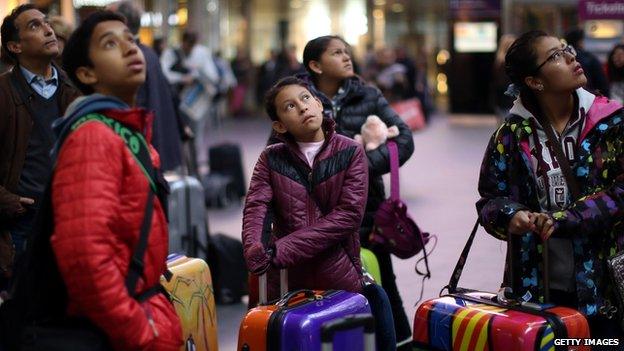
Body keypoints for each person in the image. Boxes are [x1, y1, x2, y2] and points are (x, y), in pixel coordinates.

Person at [477, 30, 624, 341]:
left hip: (604, 288)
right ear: (534, 81)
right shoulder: (511, 135)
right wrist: (510, 215)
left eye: (566, 49)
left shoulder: (611, 123)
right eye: (556, 56)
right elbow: (490, 199)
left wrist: (564, 220)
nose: (572, 58)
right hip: (537, 288)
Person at [51, 11, 182, 349]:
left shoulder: (126, 132)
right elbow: (84, 255)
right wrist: (139, 330)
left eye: (130, 38)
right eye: (110, 43)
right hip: (122, 330)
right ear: (86, 73)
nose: (129, 48)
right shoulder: (94, 135)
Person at [243, 76, 395, 350]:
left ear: (318, 103)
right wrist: (254, 248)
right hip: (287, 282)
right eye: (289, 106)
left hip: (340, 273)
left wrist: (282, 249)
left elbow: (348, 216)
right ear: (279, 125)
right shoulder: (271, 158)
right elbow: (256, 206)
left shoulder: (350, 151)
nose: (302, 108)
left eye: (305, 98)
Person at [300, 35, 415, 350]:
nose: (347, 58)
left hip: (367, 210)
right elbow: (279, 153)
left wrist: (358, 166)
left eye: (347, 52)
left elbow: (404, 140)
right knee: (325, 288)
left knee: (382, 285)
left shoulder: (368, 95)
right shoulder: (298, 99)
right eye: (337, 53)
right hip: (317, 216)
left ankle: (398, 344)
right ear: (315, 65)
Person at [0, 4, 80, 286]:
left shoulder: (74, 88)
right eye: (34, 26)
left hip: (73, 219)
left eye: (46, 23)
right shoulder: (3, 93)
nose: (48, 29)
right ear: (15, 45)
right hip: (24, 224)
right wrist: (6, 200)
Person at [109, 0, 184, 172]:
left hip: (145, 151)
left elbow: (137, 106)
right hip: (158, 146)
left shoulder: (130, 58)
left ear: (123, 23)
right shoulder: (149, 53)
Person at [161, 30, 219, 170]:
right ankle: (179, 166)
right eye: (188, 45)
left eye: (193, 46)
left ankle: (193, 167)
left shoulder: (202, 53)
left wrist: (198, 72)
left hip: (197, 103)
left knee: (196, 136)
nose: (190, 49)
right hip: (177, 102)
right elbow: (163, 74)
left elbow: (214, 77)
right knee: (176, 134)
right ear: (183, 42)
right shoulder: (171, 54)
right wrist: (182, 78)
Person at [564, 28, 610, 96]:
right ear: (579, 42)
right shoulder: (589, 58)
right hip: (592, 97)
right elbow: (602, 83)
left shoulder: (564, 59)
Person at [490, 34, 517, 122]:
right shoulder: (506, 63)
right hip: (507, 100)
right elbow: (504, 83)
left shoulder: (499, 61)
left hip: (502, 100)